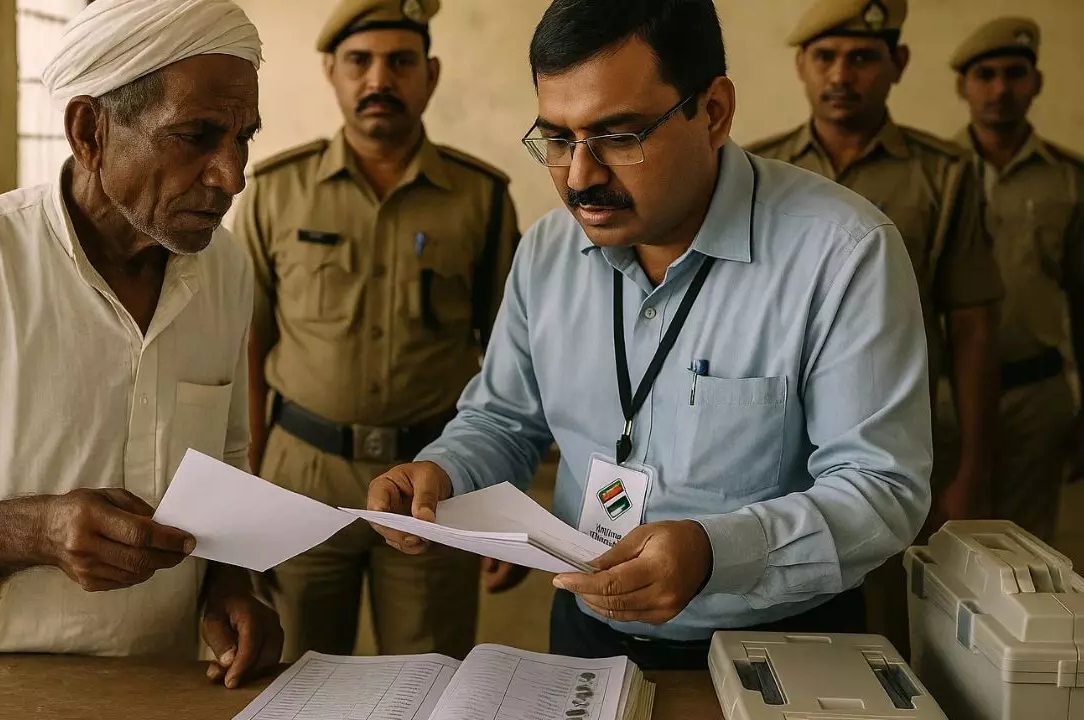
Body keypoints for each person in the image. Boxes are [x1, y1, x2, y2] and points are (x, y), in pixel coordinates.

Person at [364, 0, 933, 671]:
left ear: (714, 112)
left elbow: (880, 488)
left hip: (781, 648)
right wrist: (445, 471)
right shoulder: (549, 251)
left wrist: (715, 553)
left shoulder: (840, 253)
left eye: (618, 136)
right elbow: (504, 419)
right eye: (557, 139)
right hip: (587, 632)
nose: (580, 178)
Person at [0, 2, 281, 716]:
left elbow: (220, 460)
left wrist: (226, 585)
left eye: (242, 138)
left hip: (152, 686)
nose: (232, 175)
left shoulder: (223, 272)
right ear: (90, 132)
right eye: (197, 137)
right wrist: (24, 530)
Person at [233, 0, 522, 661]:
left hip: (431, 480)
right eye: (359, 62)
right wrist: (247, 482)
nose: (378, 80)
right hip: (301, 475)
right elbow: (247, 341)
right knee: (294, 672)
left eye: (400, 62)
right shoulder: (276, 191)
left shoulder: (479, 197)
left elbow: (512, 361)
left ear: (431, 74)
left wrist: (500, 506)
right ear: (332, 72)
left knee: (430, 674)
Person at [745, 0, 1004, 654]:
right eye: (825, 57)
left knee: (886, 618)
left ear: (898, 65)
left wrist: (971, 466)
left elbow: (971, 327)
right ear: (801, 68)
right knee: (766, 614)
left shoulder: (943, 174)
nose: (841, 74)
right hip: (772, 440)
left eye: (862, 57)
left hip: (889, 441)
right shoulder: (753, 174)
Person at [950, 17, 1084, 540]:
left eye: (1015, 73)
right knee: (937, 552)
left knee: (1027, 555)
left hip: (1036, 394)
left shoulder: (1070, 177)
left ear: (1037, 83)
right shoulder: (937, 172)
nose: (1000, 89)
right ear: (962, 86)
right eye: (984, 74)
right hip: (947, 397)